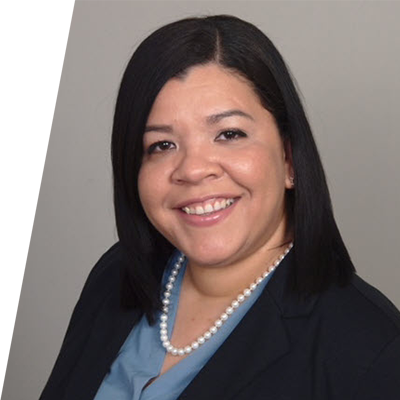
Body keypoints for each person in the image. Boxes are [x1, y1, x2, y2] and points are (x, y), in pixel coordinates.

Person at [40, 15, 400, 400]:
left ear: (290, 159)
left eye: (229, 134)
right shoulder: (116, 276)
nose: (193, 170)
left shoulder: (372, 350)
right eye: (161, 145)